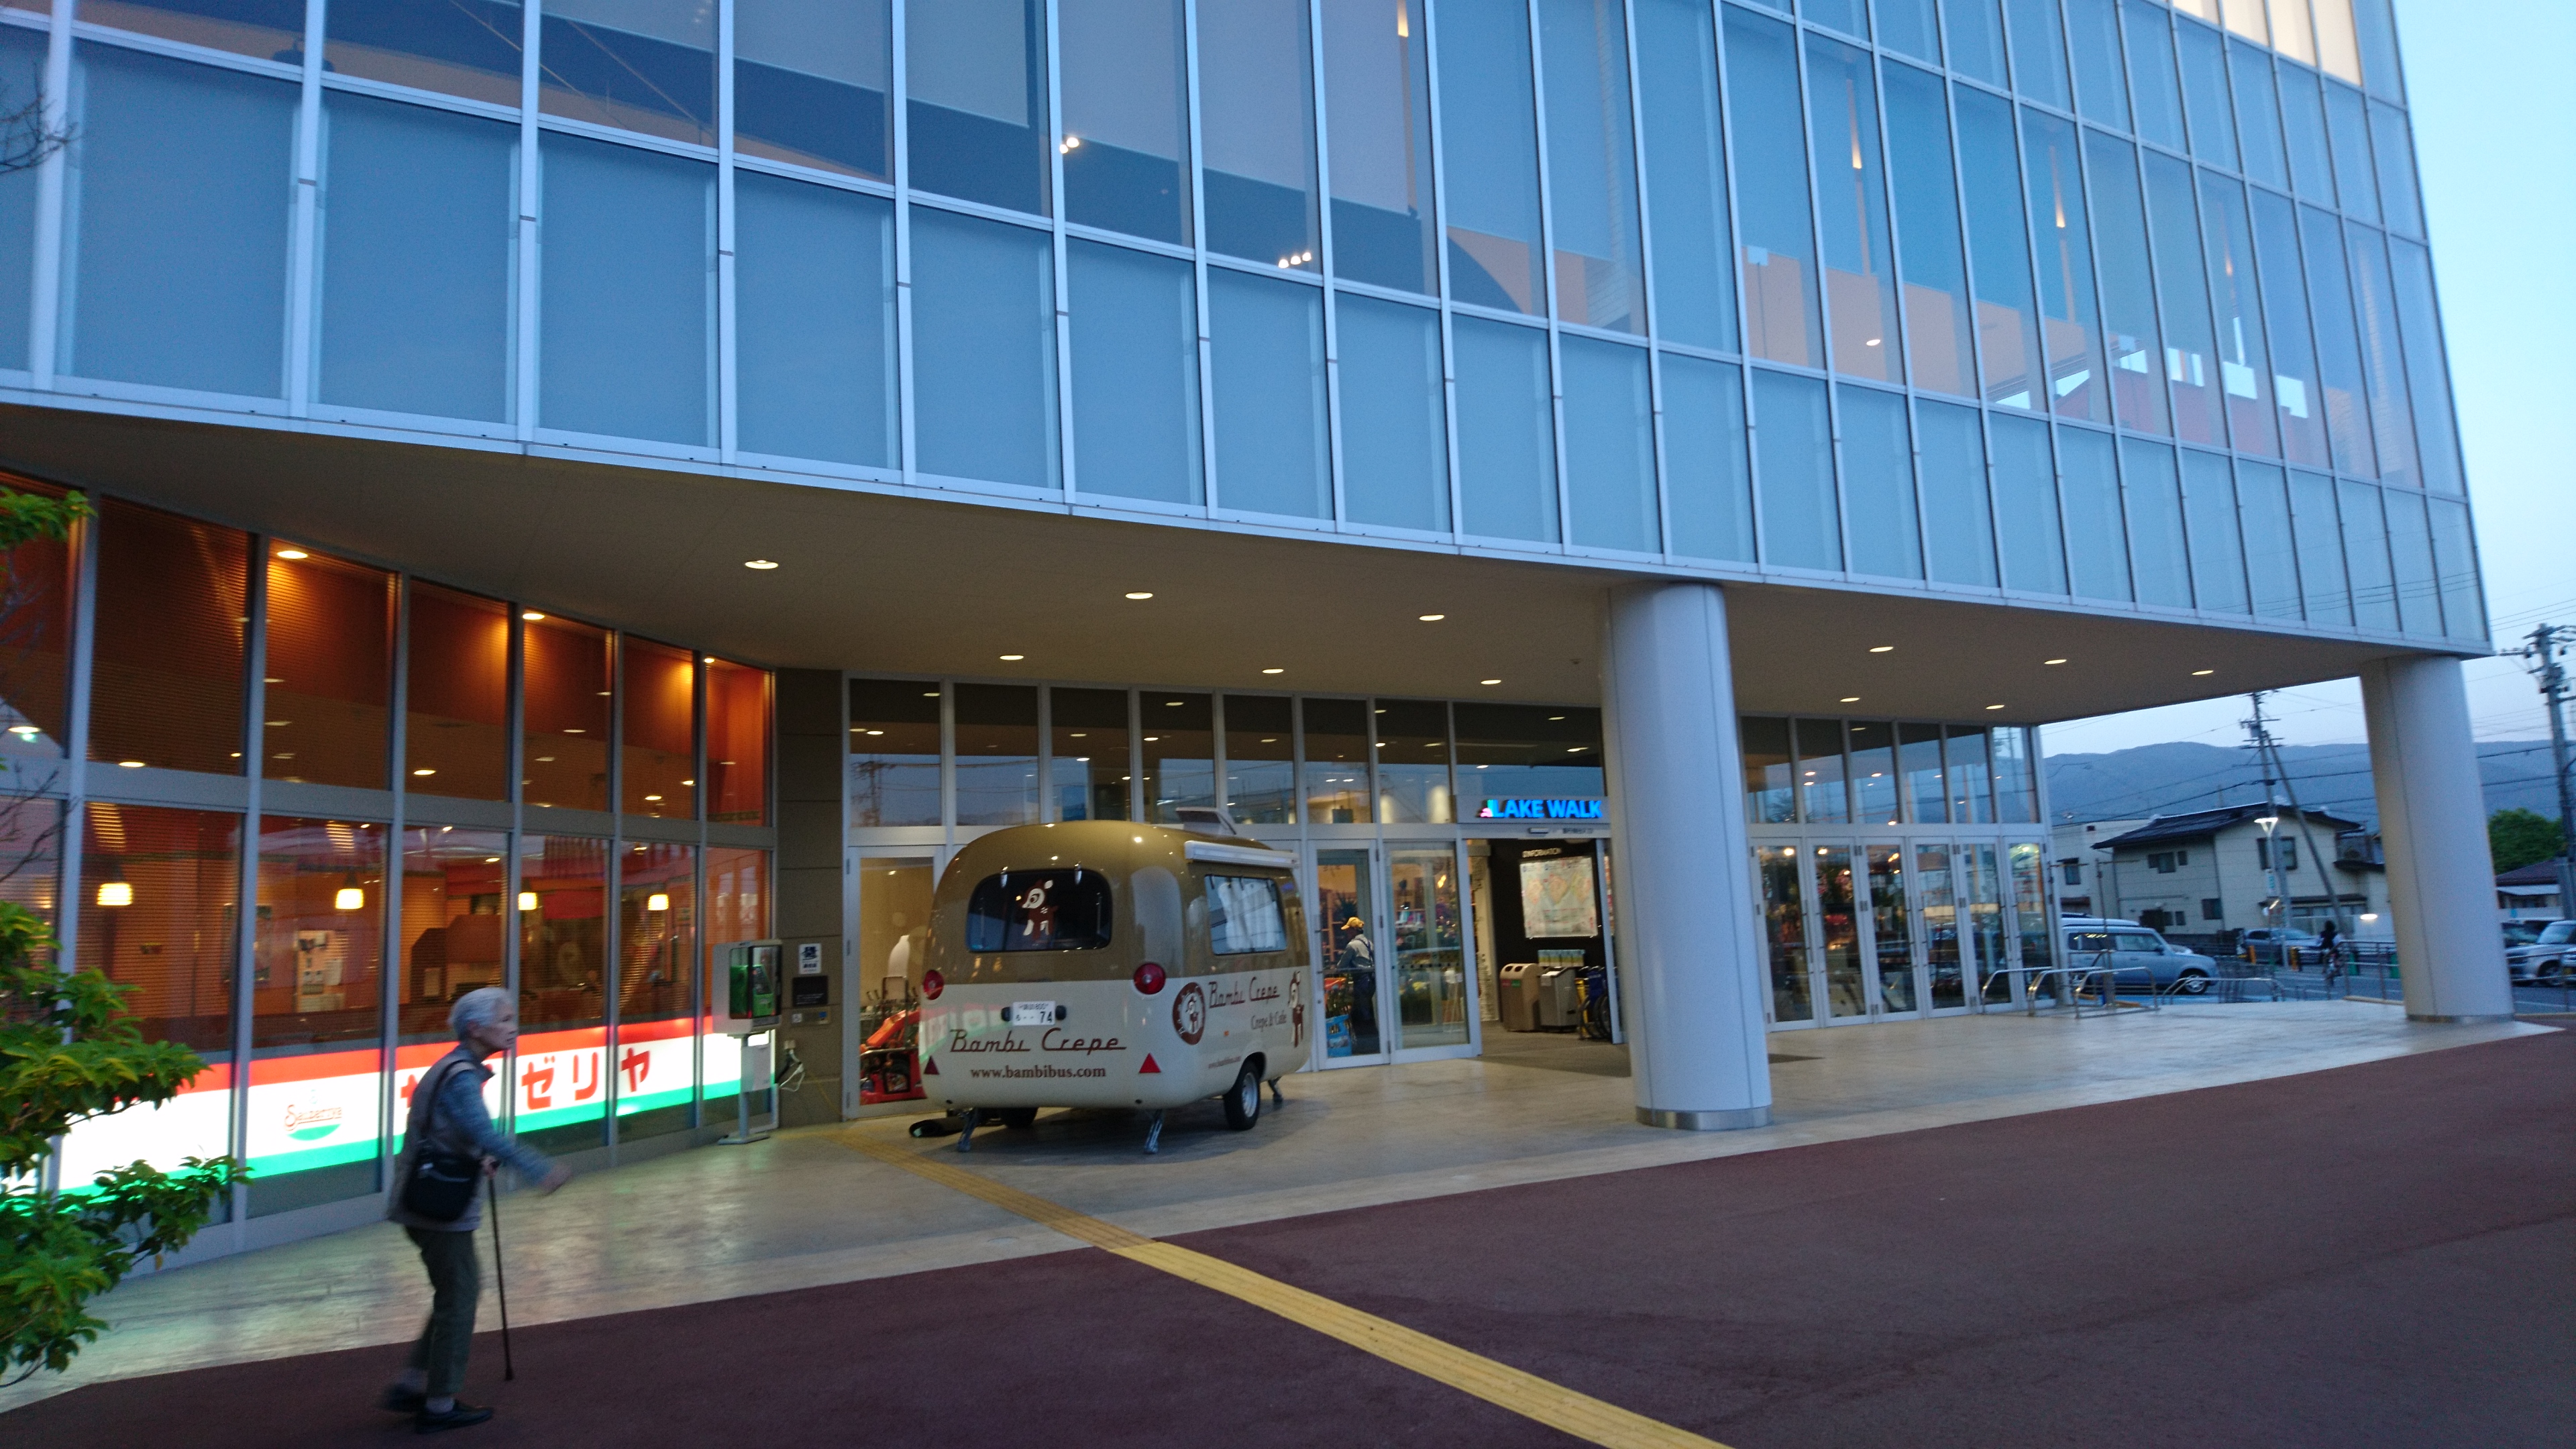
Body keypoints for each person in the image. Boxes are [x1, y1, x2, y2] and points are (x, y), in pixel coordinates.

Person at [382, 988, 572, 1433]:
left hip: (426, 1200)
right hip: (437, 1208)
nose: (513, 1028)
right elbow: (486, 1134)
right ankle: (439, 1405)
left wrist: (475, 1156)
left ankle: (412, 1384)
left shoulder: (455, 1069)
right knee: (461, 1297)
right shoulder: (462, 1077)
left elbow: (454, 1133)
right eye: (504, 1020)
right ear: (475, 1028)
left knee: (454, 1293)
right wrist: (539, 1169)